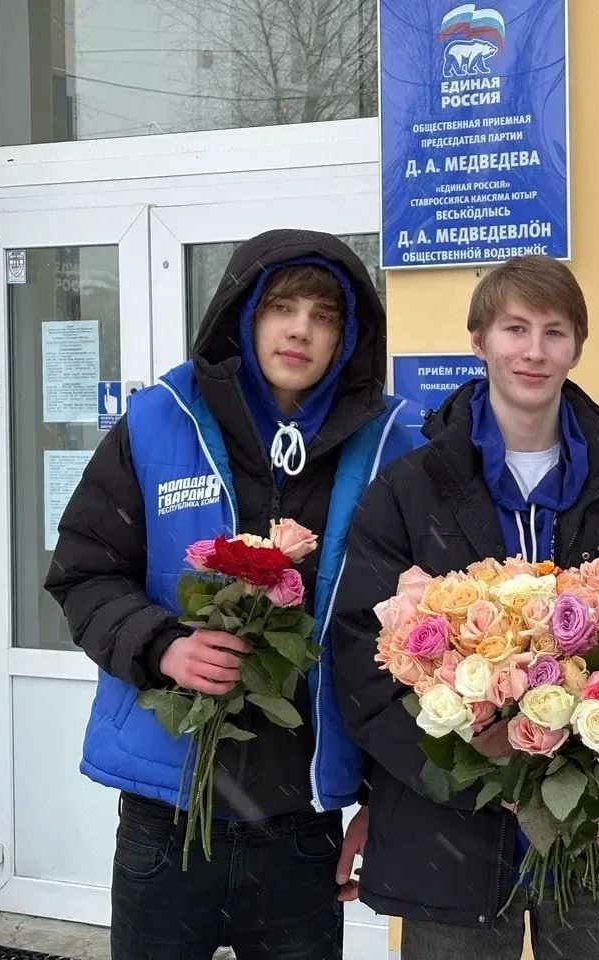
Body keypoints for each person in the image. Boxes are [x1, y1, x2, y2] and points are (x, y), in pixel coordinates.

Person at [45, 229, 422, 960]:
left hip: (301, 819)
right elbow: (85, 571)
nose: (300, 330)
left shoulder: (390, 444)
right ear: (245, 315)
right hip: (167, 815)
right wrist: (163, 647)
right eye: (282, 307)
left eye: (324, 316)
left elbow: (414, 636)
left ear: (347, 338)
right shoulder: (159, 420)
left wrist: (385, 796)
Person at [331, 255, 599, 960]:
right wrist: (456, 762)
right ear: (479, 341)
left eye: (555, 332)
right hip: (449, 834)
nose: (534, 351)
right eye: (514, 329)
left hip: (597, 829)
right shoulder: (408, 491)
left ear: (577, 347)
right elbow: (358, 653)